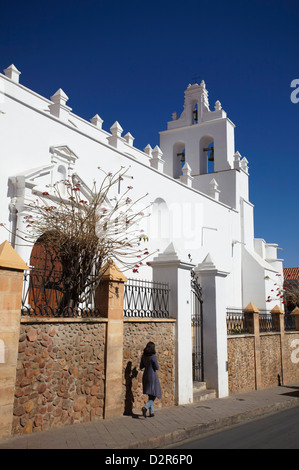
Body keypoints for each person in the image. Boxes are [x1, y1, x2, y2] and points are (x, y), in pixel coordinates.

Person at [140, 341, 161, 417]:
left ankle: (151, 412)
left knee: (150, 394)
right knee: (155, 393)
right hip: (152, 375)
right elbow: (157, 367)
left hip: (146, 375)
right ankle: (145, 407)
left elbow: (141, 366)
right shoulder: (153, 357)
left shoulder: (143, 356)